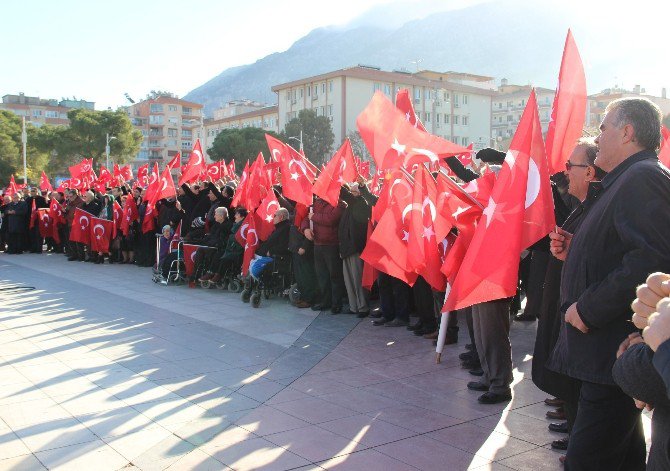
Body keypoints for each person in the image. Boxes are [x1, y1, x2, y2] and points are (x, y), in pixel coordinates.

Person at [553, 97, 670, 470]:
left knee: (589, 460)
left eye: (602, 127)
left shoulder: (643, 177)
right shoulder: (627, 180)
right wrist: (578, 251)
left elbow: (650, 259)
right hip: (605, 355)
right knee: (622, 457)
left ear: (627, 132)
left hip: (611, 350)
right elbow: (620, 248)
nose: (597, 136)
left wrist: (588, 309)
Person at [536, 140, 604, 452]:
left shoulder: (598, 208)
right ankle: (574, 433)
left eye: (570, 167)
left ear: (589, 172)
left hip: (582, 317)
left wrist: (572, 249)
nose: (565, 173)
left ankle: (577, 440)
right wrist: (565, 249)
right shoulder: (583, 208)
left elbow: (604, 260)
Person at [302, 195, 346, 314]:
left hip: (332, 245)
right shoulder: (316, 203)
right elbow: (306, 218)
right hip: (318, 245)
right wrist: (305, 229)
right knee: (322, 276)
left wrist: (314, 216)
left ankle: (336, 304)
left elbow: (331, 219)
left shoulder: (339, 203)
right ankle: (325, 301)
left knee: (334, 276)